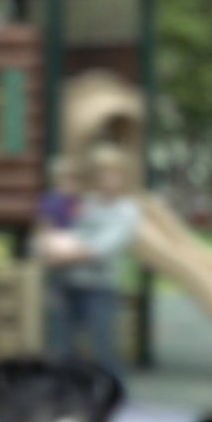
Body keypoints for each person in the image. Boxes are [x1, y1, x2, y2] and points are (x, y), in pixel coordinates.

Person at [38, 145, 140, 380]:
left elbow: (102, 248)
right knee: (61, 345)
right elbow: (56, 227)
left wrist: (62, 253)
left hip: (100, 288)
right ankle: (64, 396)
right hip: (67, 282)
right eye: (102, 174)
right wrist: (47, 242)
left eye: (113, 174)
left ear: (124, 178)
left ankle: (113, 395)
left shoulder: (126, 211)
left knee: (103, 346)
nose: (107, 180)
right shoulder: (84, 203)